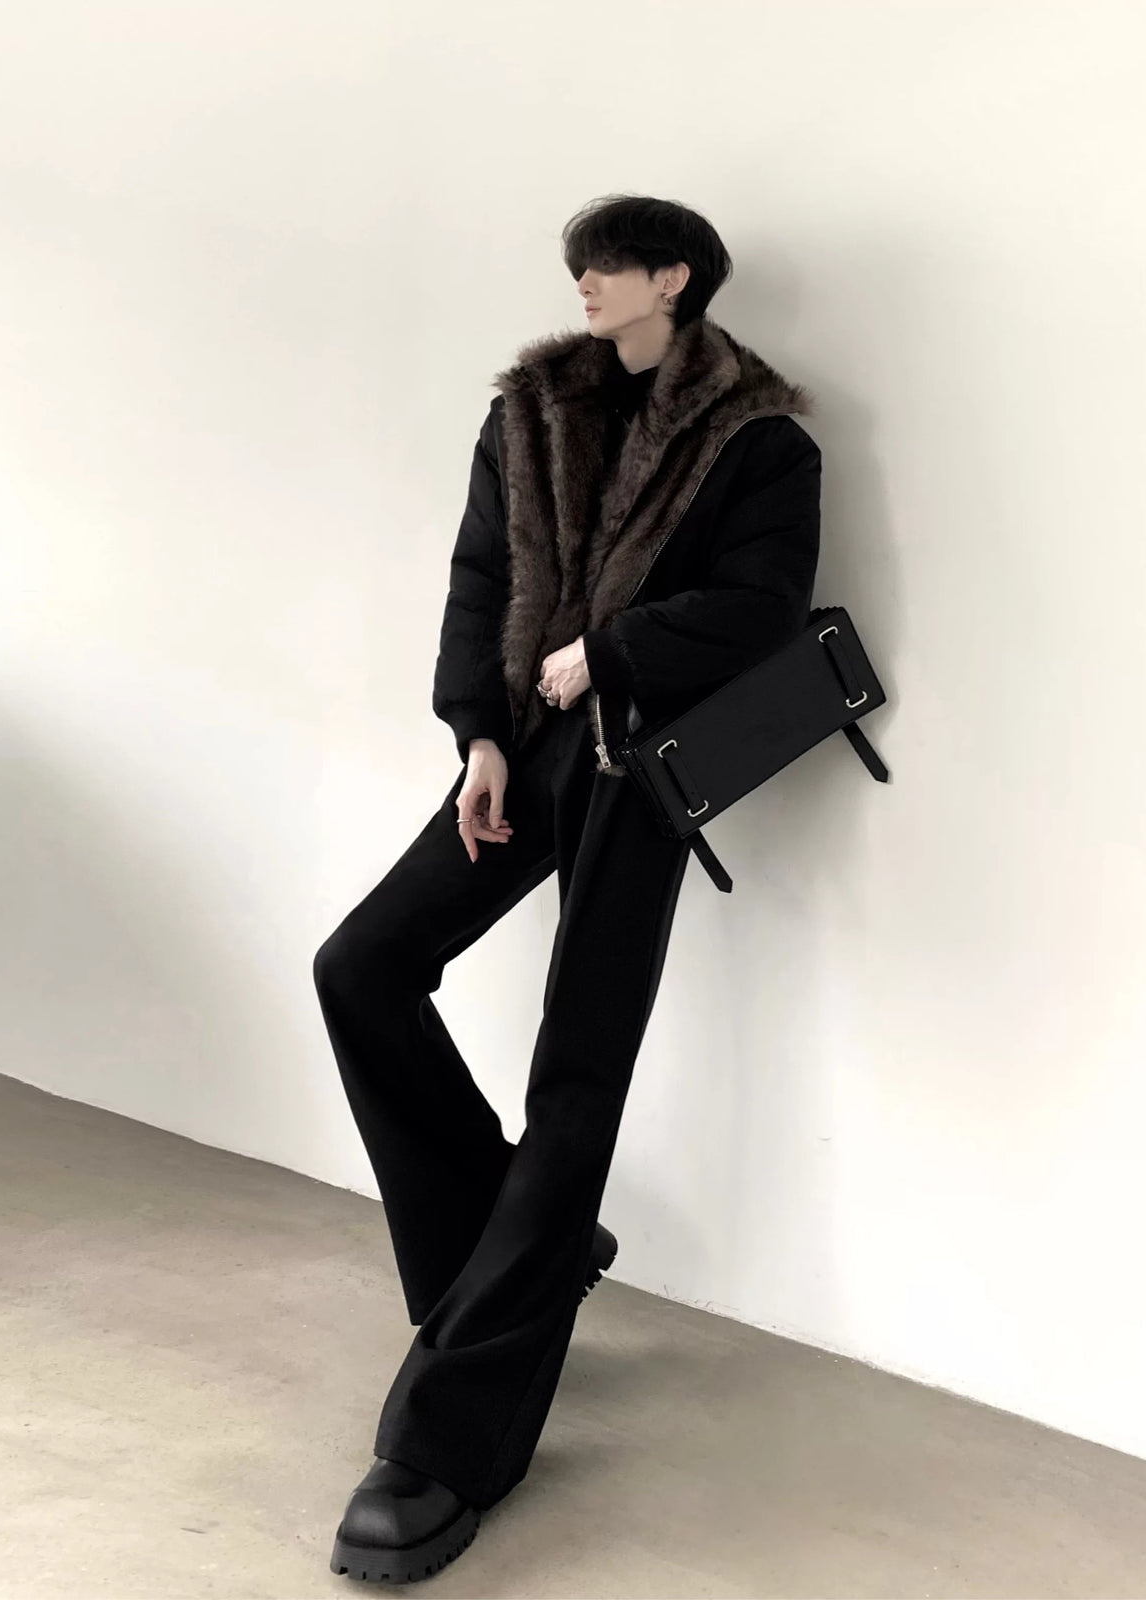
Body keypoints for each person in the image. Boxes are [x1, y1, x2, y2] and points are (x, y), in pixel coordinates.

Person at [313, 193, 822, 1584]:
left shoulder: (759, 439)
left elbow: (765, 604)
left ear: (676, 277)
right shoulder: (529, 414)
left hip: (640, 767)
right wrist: (477, 734)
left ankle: (449, 1444)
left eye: (609, 265)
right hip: (526, 753)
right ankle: (505, 1258)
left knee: (575, 1071)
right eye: (579, 266)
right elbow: (480, 578)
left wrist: (611, 649)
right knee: (361, 967)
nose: (583, 284)